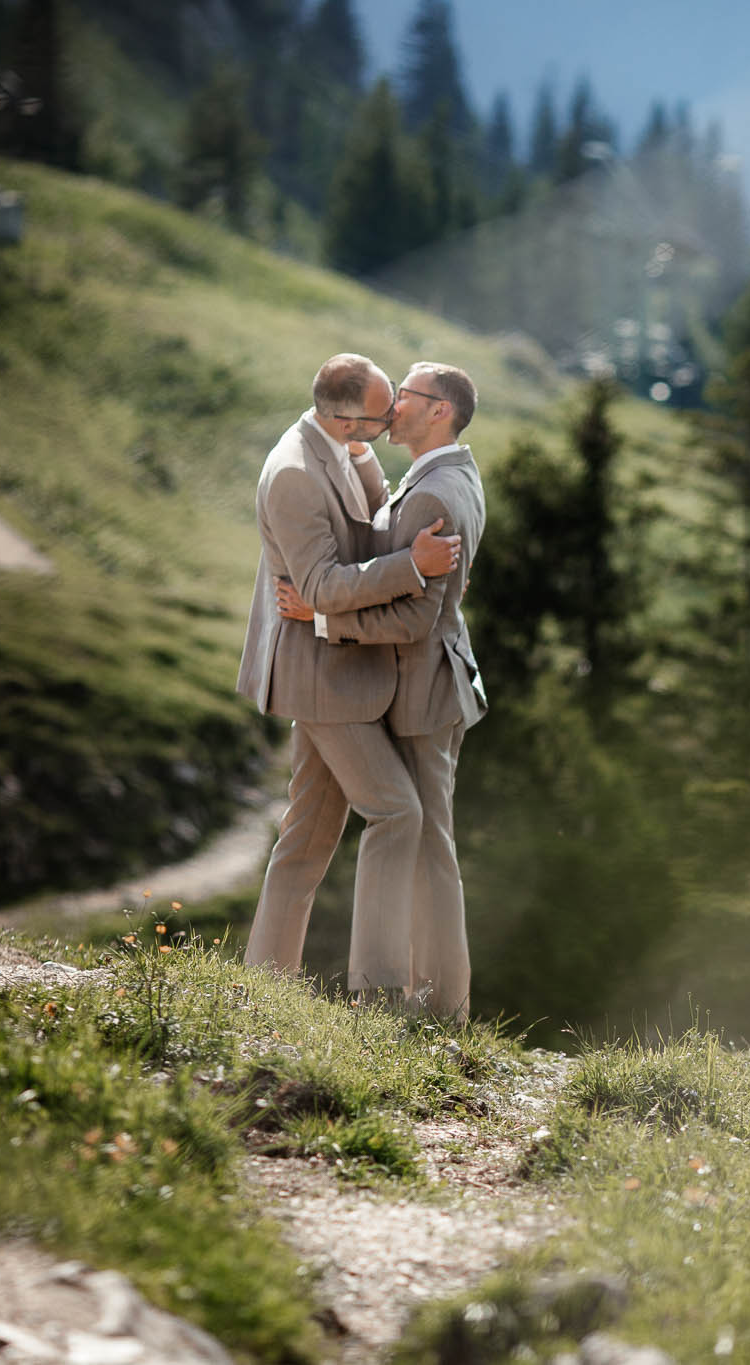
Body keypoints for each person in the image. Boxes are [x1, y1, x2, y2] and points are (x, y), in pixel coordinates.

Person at [236, 353, 462, 1000]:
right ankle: (379, 990)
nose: (392, 418)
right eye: (379, 414)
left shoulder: (342, 445)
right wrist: (414, 567)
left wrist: (366, 457)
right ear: (343, 416)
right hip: (319, 675)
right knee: (396, 811)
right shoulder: (293, 475)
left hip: (335, 668)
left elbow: (371, 514)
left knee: (307, 835)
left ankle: (263, 986)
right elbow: (319, 587)